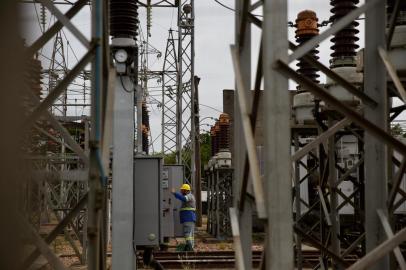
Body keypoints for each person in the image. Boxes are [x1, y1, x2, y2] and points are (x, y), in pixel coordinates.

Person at [171, 183, 196, 251]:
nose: (181, 192)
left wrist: (174, 193)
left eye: (182, 190)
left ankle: (190, 247)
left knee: (187, 233)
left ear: (186, 190)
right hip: (189, 218)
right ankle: (191, 247)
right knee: (190, 234)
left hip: (188, 218)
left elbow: (183, 198)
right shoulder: (189, 196)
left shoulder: (189, 196)